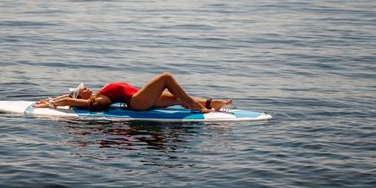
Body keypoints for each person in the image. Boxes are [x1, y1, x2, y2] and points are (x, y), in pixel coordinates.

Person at [34, 72, 233, 113]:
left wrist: (50, 99)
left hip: (140, 98)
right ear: (80, 97)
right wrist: (52, 105)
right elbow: (74, 101)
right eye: (81, 90)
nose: (85, 88)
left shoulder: (96, 95)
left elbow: (69, 98)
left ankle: (211, 104)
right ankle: (195, 106)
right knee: (166, 78)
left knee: (175, 98)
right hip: (137, 101)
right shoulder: (97, 101)